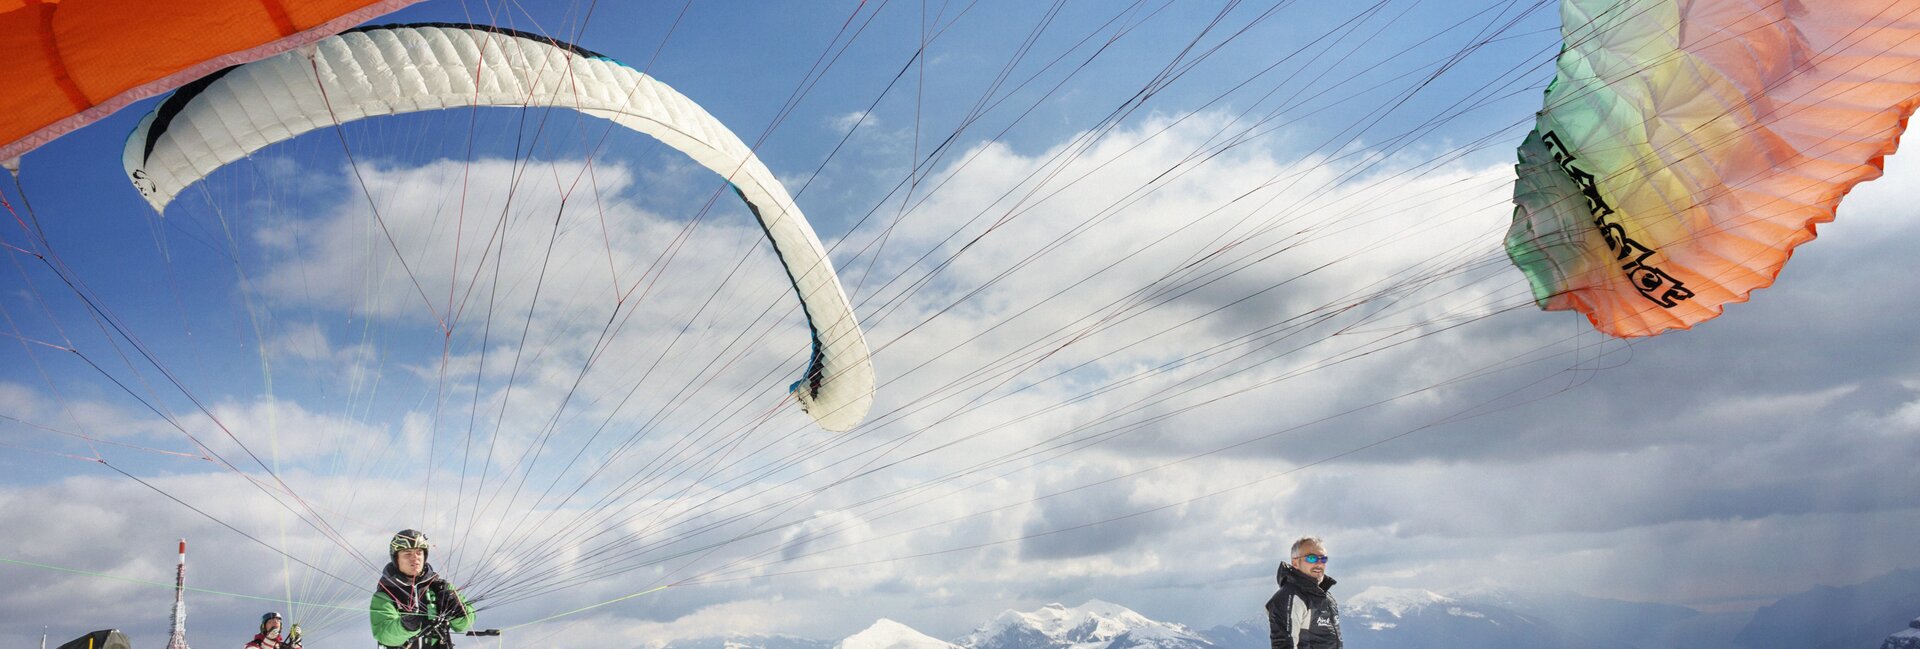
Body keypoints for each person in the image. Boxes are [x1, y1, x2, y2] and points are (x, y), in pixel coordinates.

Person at [370, 529, 476, 649]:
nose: (415, 558)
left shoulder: (440, 588)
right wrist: (405, 626)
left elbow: (464, 624)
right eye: (407, 554)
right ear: (396, 559)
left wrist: (458, 611)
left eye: (419, 552)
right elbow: (383, 634)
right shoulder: (385, 595)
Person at [1265, 536, 1342, 649]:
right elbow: (1284, 644)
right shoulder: (1290, 597)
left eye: (1323, 559)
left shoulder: (1325, 596)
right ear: (1295, 562)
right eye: (1312, 558)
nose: (1319, 564)